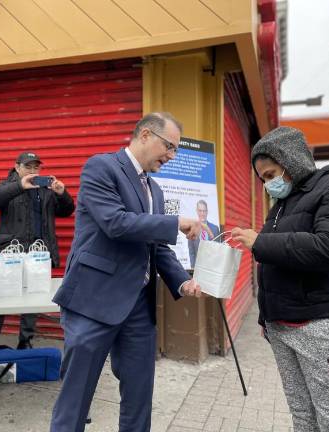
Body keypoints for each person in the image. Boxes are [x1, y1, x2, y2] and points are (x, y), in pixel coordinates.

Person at [50, 112, 204, 432]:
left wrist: (182, 280)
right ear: (146, 135)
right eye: (169, 146)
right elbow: (115, 223)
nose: (172, 156)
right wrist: (174, 223)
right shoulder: (101, 167)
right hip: (94, 299)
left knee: (139, 395)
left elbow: (157, 247)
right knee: (76, 396)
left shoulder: (156, 191)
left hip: (138, 307)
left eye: (176, 150)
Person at [231, 126, 329, 432]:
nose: (268, 184)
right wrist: (267, 317)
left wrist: (260, 242)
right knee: (303, 416)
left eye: (271, 174)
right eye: (263, 179)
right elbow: (281, 259)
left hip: (326, 328)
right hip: (285, 327)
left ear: (291, 161)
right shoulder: (282, 205)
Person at [0, 152, 75, 351]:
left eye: (36, 167)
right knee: (1, 298)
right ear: (17, 167)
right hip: (10, 254)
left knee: (32, 299)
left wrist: (62, 193)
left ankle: (25, 340)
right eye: (28, 167)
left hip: (38, 254)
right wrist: (19, 186)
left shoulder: (46, 188)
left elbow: (67, 210)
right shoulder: (7, 185)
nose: (33, 171)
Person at [187, 199, 220, 267]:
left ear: (207, 212)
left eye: (204, 211)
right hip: (198, 268)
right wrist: (193, 269)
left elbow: (218, 250)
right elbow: (192, 252)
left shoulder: (215, 229)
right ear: (197, 211)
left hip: (212, 267)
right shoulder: (192, 229)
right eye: (200, 211)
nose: (202, 213)